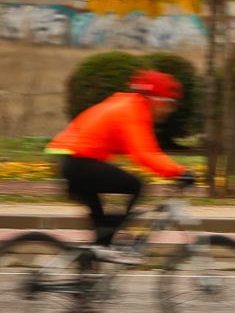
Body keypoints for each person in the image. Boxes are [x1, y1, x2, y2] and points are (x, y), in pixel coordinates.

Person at [46, 69, 195, 264]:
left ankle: (87, 280)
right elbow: (145, 154)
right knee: (135, 185)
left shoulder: (126, 104)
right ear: (155, 99)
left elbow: (133, 148)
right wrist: (179, 172)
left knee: (101, 236)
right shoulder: (133, 110)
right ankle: (109, 242)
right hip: (79, 163)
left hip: (71, 161)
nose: (169, 110)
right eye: (168, 104)